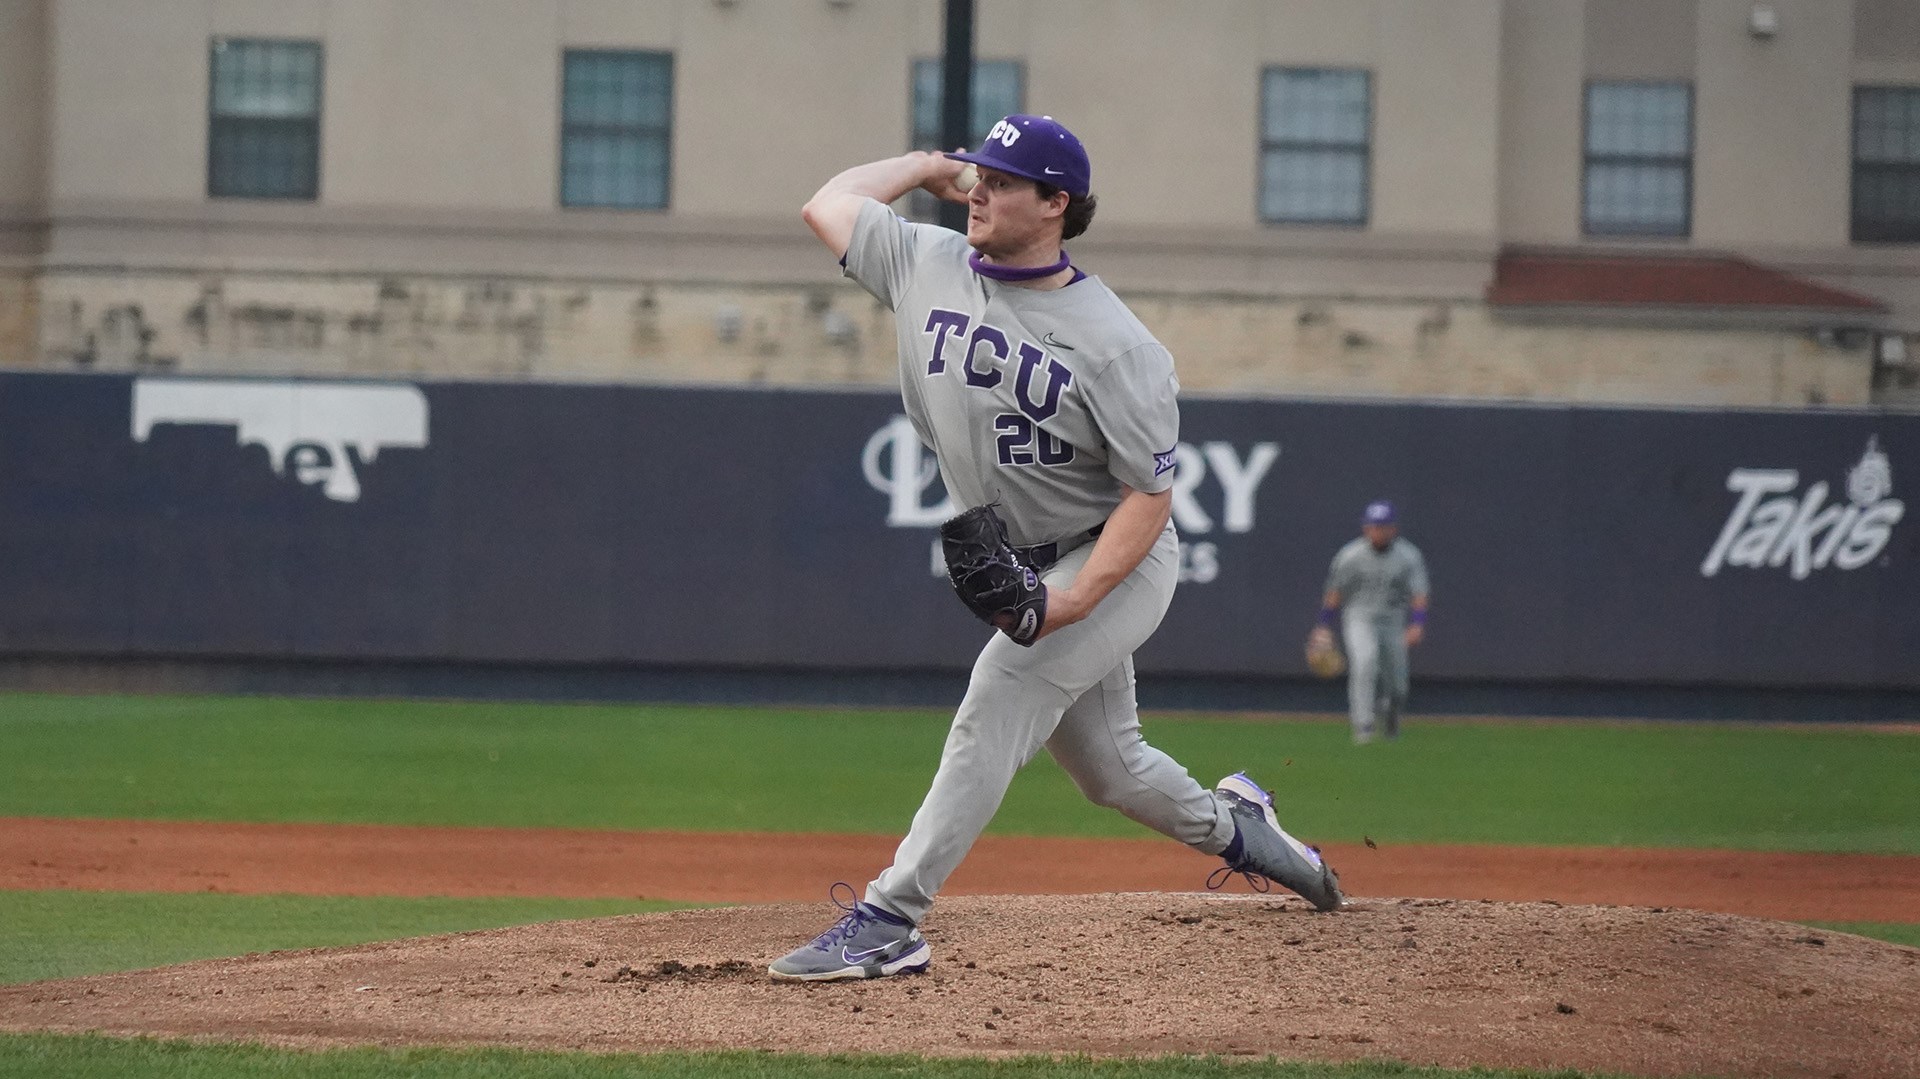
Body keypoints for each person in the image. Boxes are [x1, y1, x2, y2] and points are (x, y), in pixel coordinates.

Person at [770, 115, 1344, 982]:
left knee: (998, 689)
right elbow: (828, 203)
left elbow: (1151, 499)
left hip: (1112, 560)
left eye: (1003, 180)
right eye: (981, 174)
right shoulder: (926, 262)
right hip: (1026, 558)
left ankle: (893, 916)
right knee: (1114, 773)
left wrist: (1071, 603)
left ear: (1055, 204)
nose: (981, 190)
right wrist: (930, 164)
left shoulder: (1117, 344)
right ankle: (1249, 832)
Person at [1311, 500, 1430, 744]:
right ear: (1366, 528)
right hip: (1359, 616)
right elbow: (1334, 593)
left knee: (1398, 686)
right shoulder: (1350, 555)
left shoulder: (1408, 556)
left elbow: (1419, 594)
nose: (1378, 531)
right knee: (1365, 662)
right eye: (1374, 526)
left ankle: (1390, 716)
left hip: (1393, 620)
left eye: (1384, 526)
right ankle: (1363, 725)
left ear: (1393, 529)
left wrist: (1417, 623)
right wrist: (1324, 625)